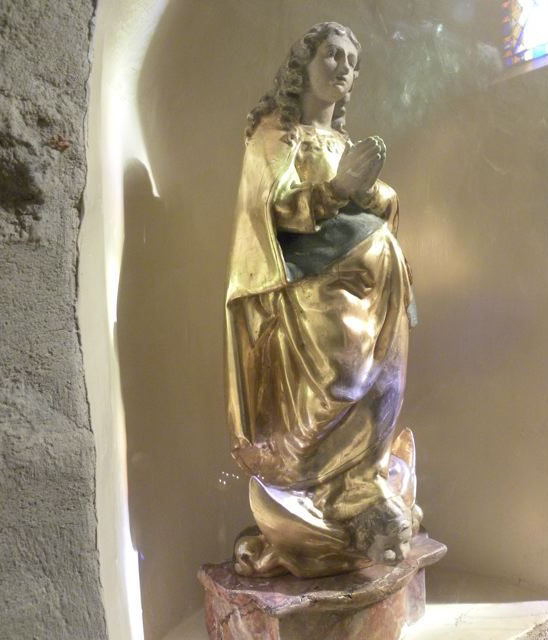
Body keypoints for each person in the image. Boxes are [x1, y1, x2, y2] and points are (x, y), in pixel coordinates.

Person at [225, 22, 421, 578]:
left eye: (352, 62)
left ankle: (362, 486)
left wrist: (371, 188)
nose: (343, 68)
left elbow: (378, 207)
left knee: (381, 387)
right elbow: (269, 212)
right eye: (332, 55)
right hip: (313, 299)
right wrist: (339, 189)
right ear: (302, 66)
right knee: (338, 381)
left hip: (379, 293)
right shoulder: (277, 134)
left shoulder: (341, 143)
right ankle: (312, 489)